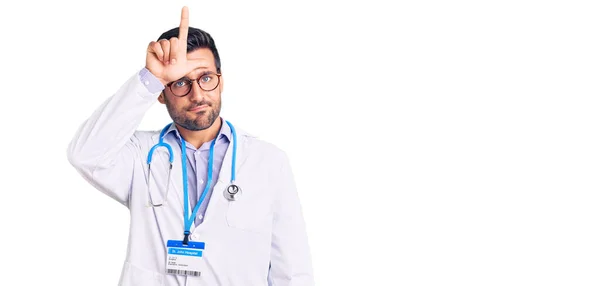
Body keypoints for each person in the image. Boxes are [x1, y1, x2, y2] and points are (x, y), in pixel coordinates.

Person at [67, 6, 314, 286]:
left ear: (221, 82)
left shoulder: (268, 161)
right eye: (181, 83)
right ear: (161, 95)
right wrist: (152, 78)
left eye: (206, 78)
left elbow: (292, 271)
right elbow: (84, 154)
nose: (197, 95)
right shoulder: (140, 155)